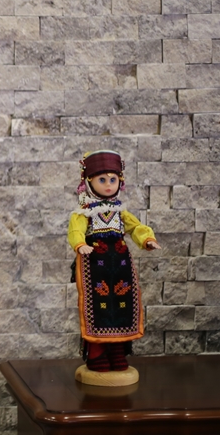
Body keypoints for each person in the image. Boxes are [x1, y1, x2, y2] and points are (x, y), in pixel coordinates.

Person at [68, 150, 159, 374]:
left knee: (122, 302)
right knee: (97, 305)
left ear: (120, 181)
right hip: (93, 265)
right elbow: (75, 230)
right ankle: (97, 351)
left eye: (113, 179)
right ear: (89, 181)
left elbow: (135, 227)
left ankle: (118, 349)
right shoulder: (84, 212)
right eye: (102, 180)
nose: (108, 185)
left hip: (120, 265)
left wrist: (146, 240)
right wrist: (80, 244)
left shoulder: (120, 211)